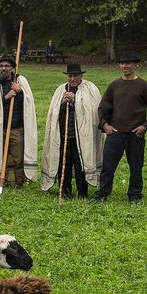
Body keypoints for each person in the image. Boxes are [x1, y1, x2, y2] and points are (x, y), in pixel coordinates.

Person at [94, 52, 147, 202]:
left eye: (128, 63)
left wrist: (145, 126)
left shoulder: (143, 85)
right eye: (122, 63)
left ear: (136, 65)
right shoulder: (114, 85)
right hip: (115, 133)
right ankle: (103, 194)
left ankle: (134, 195)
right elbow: (103, 107)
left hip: (135, 134)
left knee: (136, 167)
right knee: (108, 167)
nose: (125, 66)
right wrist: (105, 125)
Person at [41, 63, 103, 198]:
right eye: (70, 76)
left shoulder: (89, 89)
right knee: (64, 164)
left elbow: (92, 110)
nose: (72, 79)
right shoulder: (60, 90)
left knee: (81, 164)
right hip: (64, 135)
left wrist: (75, 101)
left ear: (81, 76)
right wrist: (62, 103)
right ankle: (65, 191)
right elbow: (53, 112)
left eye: (75, 76)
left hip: (81, 137)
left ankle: (82, 193)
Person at [0, 54, 38, 189]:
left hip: (16, 128)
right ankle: (2, 181)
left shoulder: (20, 81)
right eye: (1, 66)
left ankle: (18, 183)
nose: (3, 68)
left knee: (18, 158)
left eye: (7, 66)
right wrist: (6, 97)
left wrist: (19, 92)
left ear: (12, 68)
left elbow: (28, 105)